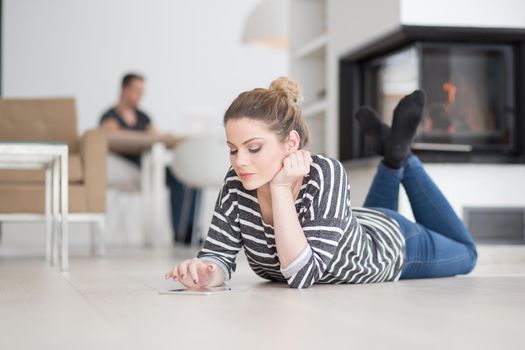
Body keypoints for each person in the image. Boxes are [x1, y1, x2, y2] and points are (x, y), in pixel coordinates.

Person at [164, 77, 478, 289]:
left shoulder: (324, 172)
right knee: (372, 216)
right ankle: (392, 153)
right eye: (233, 149)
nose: (239, 161)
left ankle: (401, 157)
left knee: (467, 254)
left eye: (253, 147)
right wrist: (205, 272)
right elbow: (218, 256)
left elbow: (302, 275)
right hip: (355, 227)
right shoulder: (237, 184)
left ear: (291, 143)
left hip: (394, 246)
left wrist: (281, 188)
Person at [100, 73, 196, 243]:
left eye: (142, 91)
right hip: (130, 170)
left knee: (181, 177)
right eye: (136, 90)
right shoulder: (110, 116)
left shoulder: (143, 117)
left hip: (150, 167)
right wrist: (146, 136)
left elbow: (155, 136)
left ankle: (182, 234)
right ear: (124, 89)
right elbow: (110, 135)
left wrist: (161, 136)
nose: (140, 95)